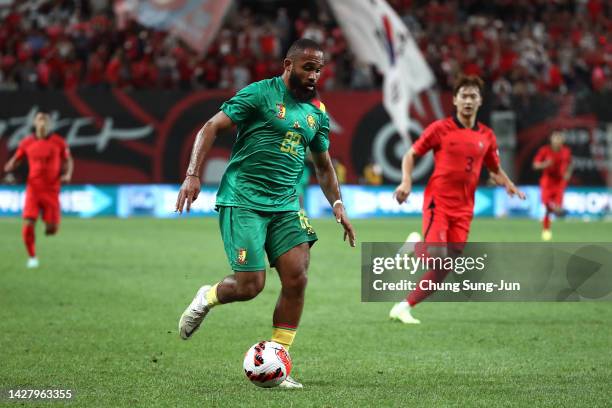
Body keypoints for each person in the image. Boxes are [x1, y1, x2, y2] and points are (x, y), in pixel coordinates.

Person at [174, 38, 356, 388]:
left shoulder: (317, 113)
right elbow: (210, 128)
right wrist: (193, 174)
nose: (314, 75)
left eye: (319, 69)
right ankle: (206, 297)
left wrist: (338, 204)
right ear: (288, 65)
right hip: (243, 200)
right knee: (250, 285)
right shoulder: (259, 94)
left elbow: (323, 165)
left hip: (286, 205)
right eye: (308, 67)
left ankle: (277, 360)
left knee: (297, 276)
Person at [389, 75, 525, 324]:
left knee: (444, 267)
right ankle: (415, 247)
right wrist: (406, 181)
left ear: (480, 101)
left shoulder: (487, 136)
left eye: (473, 96)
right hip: (438, 202)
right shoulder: (440, 129)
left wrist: (508, 184)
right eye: (464, 96)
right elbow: (411, 154)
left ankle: (403, 307)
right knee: (439, 257)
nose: (468, 101)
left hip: (464, 209)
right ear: (455, 100)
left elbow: (494, 169)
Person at [3, 111, 73, 268]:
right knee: (28, 223)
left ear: (49, 124)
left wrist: (67, 174)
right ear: (34, 123)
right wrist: (10, 167)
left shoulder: (59, 142)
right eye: (39, 119)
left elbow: (68, 159)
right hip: (33, 189)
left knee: (52, 230)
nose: (42, 121)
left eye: (45, 119)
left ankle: (49, 224)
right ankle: (32, 257)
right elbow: (16, 159)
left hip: (52, 190)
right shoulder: (26, 143)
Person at [533, 130, 572, 241]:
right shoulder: (544, 150)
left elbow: (569, 164)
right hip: (547, 182)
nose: (557, 140)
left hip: (560, 183)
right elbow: (535, 165)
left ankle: (556, 211)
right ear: (551, 139)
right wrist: (545, 164)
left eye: (559, 138)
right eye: (555, 138)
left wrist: (568, 173)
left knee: (555, 208)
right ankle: (546, 228)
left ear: (562, 141)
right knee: (547, 206)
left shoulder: (566, 151)